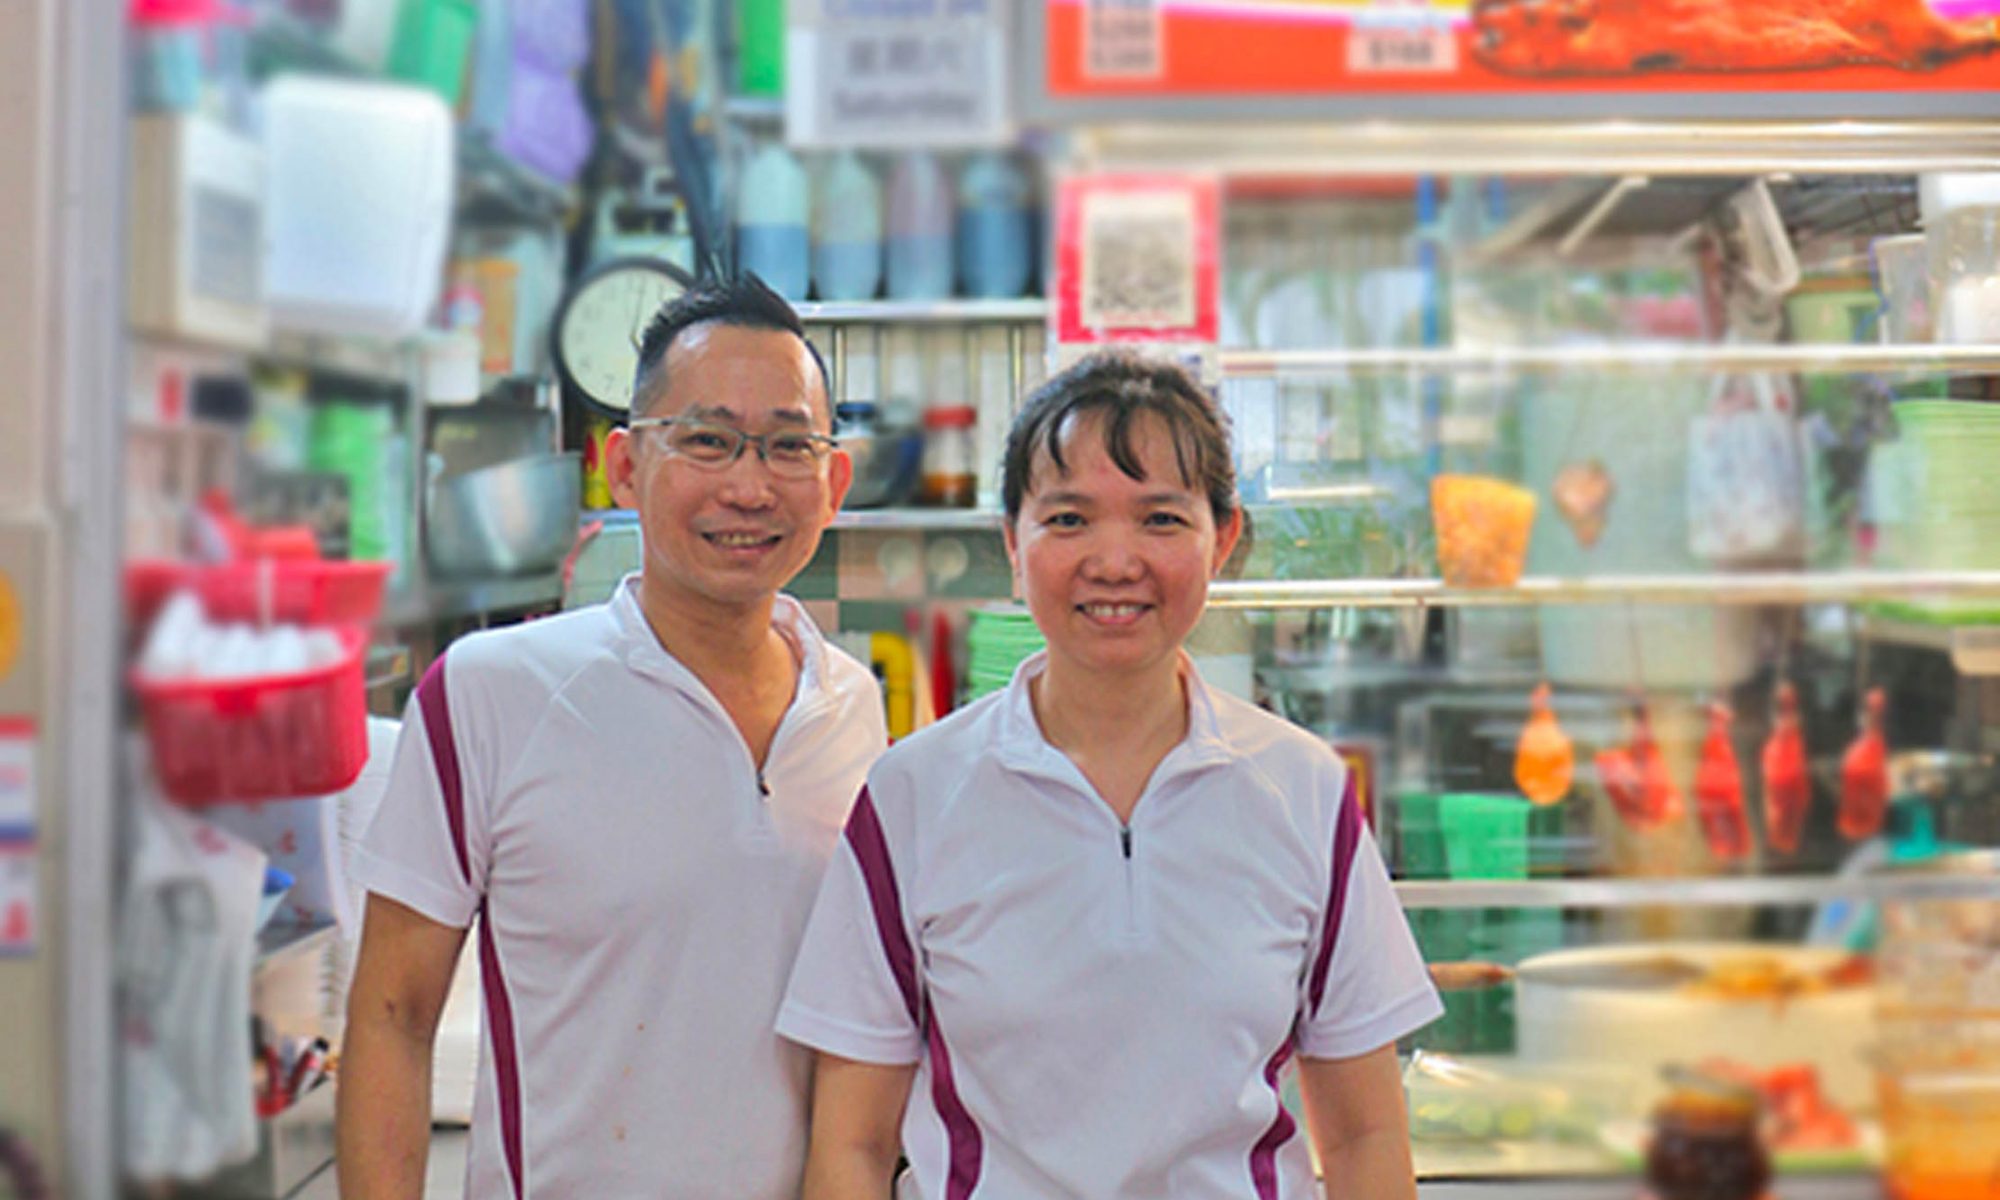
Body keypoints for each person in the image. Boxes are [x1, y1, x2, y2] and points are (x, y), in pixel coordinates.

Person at [778, 352, 1443, 1199]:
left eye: (1161, 519)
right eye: (1069, 520)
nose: (1115, 561)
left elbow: (1364, 1136)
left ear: (1223, 540)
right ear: (1011, 543)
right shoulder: (913, 796)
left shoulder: (1302, 789)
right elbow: (852, 1148)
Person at [338, 276, 887, 1198]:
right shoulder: (493, 691)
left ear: (831, 482)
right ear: (624, 466)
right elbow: (393, 1015)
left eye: (789, 446)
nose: (749, 486)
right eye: (708, 441)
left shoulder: (852, 709)